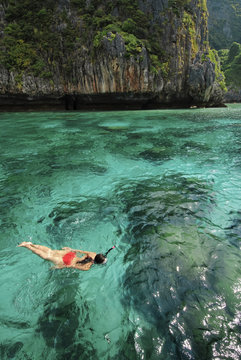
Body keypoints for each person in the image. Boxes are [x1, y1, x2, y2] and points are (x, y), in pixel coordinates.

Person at [18, 242, 115, 271]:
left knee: (50, 251)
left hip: (70, 254)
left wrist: (71, 249)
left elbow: (81, 251)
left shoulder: (93, 253)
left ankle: (31, 244)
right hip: (67, 262)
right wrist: (59, 267)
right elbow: (72, 266)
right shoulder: (87, 267)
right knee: (46, 256)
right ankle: (27, 246)